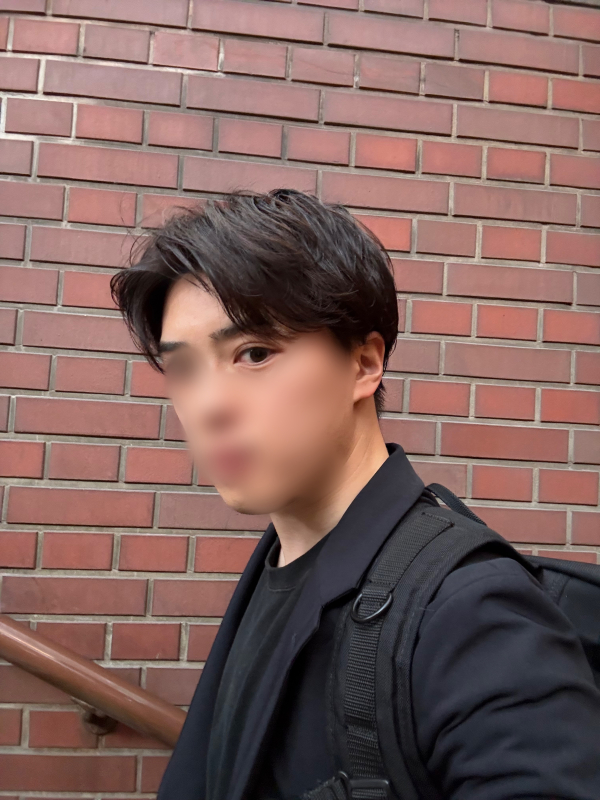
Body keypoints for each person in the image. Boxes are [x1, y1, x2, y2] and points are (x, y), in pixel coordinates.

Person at [111, 189, 600, 800]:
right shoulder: (278, 564)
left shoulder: (471, 611)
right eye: (183, 369)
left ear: (365, 363)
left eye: (255, 354)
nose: (208, 406)